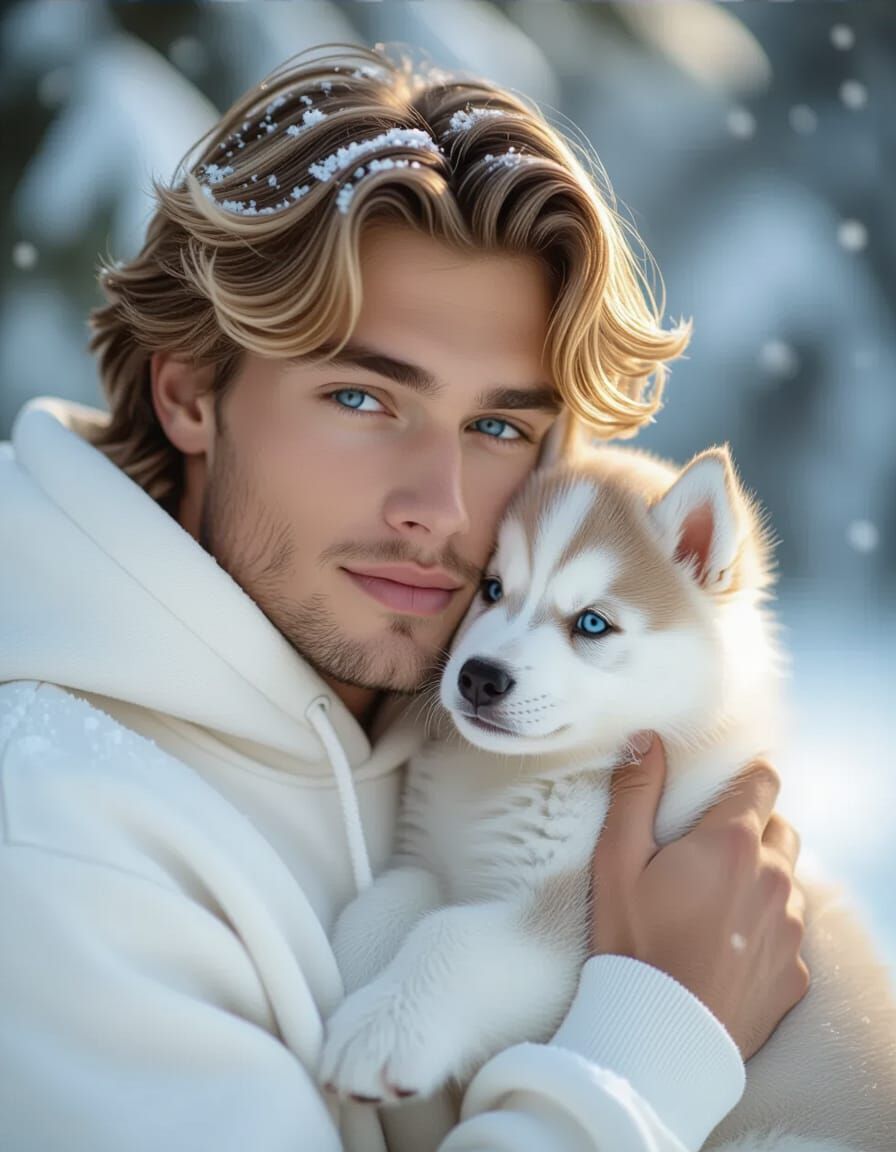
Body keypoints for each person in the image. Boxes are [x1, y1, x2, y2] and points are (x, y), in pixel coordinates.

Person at [0, 43, 808, 1152]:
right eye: (363, 398)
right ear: (189, 394)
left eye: (496, 425)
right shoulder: (49, 842)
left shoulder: (452, 717)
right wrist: (653, 1041)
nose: (441, 506)